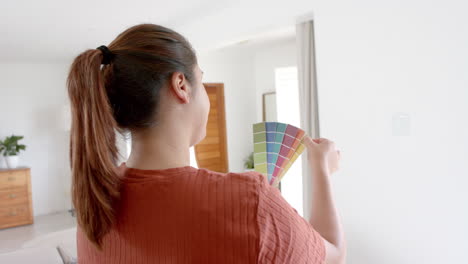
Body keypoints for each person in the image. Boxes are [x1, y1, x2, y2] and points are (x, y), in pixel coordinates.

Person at [67, 23, 346, 264]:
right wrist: (321, 168)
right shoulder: (250, 200)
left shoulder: (94, 199)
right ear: (181, 86)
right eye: (201, 80)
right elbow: (333, 256)